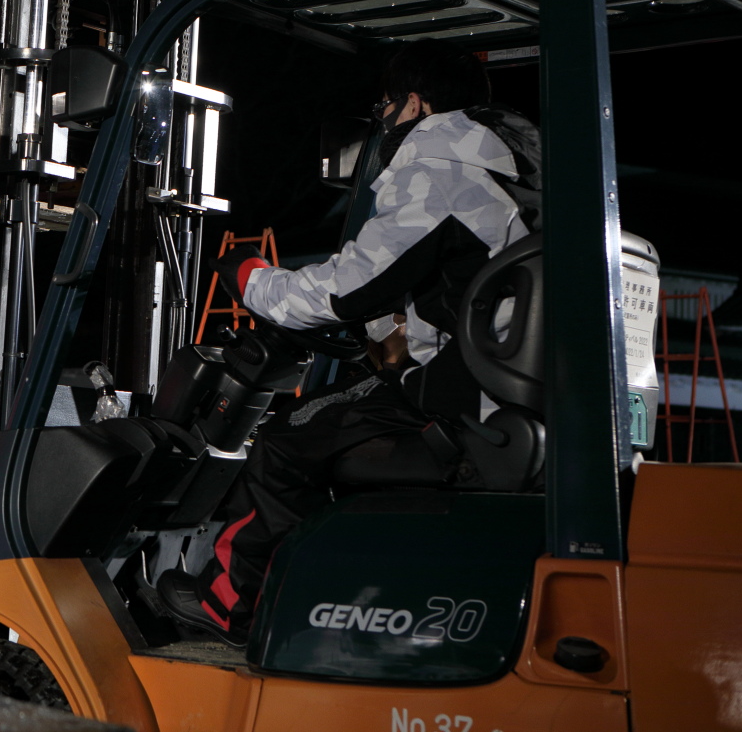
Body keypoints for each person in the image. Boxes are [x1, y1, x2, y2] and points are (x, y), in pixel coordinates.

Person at [155, 40, 541, 645]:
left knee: (285, 442)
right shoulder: (524, 171)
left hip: (469, 395)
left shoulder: (439, 167)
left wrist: (251, 279)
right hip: (514, 387)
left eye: (385, 106)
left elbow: (344, 290)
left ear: (415, 103)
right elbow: (446, 283)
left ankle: (233, 606)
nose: (383, 121)